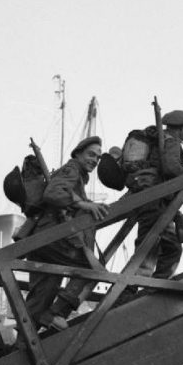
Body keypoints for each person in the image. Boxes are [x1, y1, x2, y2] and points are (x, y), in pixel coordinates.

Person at [25, 136, 109, 332]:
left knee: (42, 294)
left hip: (44, 239)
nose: (94, 160)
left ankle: (23, 344)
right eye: (90, 155)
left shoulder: (76, 174)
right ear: (78, 154)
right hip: (52, 237)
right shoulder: (72, 170)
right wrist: (84, 203)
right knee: (92, 269)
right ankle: (56, 313)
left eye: (97, 158)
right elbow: (52, 193)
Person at [131, 109, 183, 279]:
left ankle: (146, 287)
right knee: (149, 248)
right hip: (156, 201)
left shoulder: (159, 140)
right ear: (180, 129)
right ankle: (136, 290)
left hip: (149, 198)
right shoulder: (172, 141)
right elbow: (170, 168)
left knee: (165, 246)